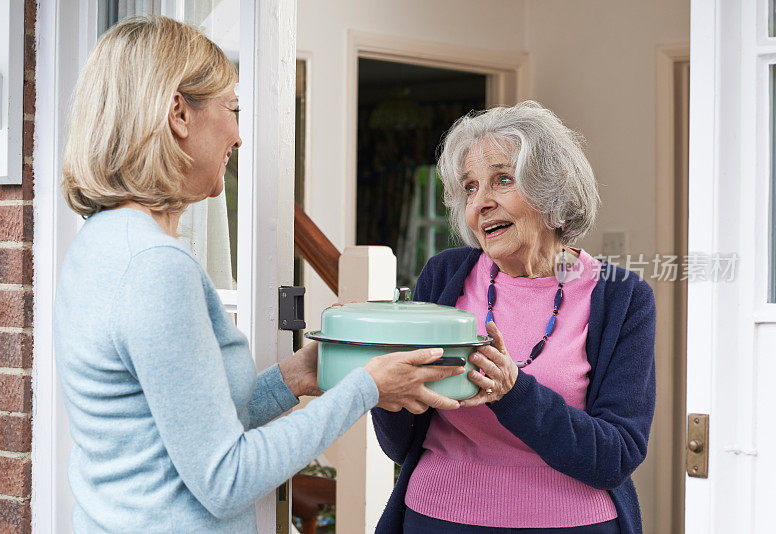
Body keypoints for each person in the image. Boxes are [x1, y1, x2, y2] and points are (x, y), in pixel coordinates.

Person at [53, 17, 463, 533]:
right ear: (179, 112)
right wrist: (364, 388)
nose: (240, 136)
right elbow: (226, 478)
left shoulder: (99, 242)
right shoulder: (155, 269)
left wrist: (299, 376)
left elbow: (188, 427)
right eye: (233, 109)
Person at [372, 102, 656, 534]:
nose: (480, 204)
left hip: (572, 524)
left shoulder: (621, 297)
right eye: (470, 188)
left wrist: (515, 393)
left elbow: (616, 454)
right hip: (438, 518)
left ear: (552, 191)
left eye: (502, 180)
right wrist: (387, 390)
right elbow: (403, 443)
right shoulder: (445, 276)